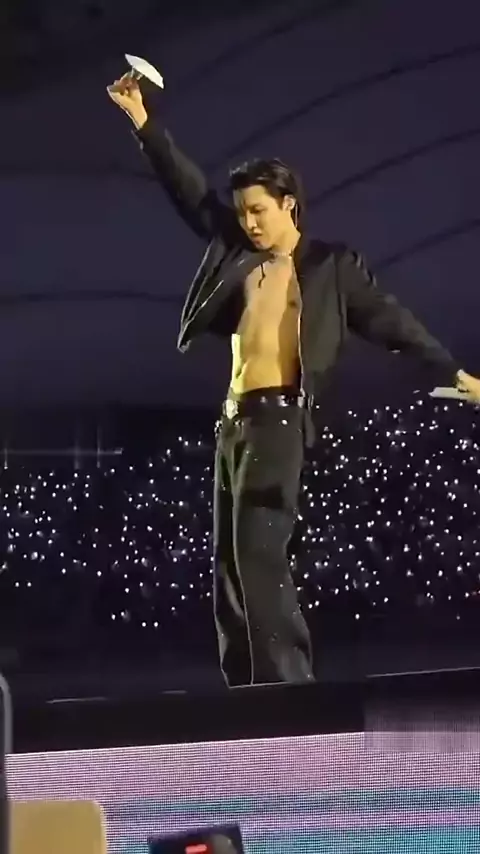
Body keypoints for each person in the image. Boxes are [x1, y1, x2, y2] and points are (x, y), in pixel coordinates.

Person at [107, 70, 480, 688]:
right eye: (242, 213)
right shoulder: (238, 252)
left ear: (290, 206)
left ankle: (290, 692)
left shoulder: (330, 266)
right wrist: (142, 120)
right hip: (232, 425)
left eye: (259, 211)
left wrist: (455, 372)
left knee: (259, 552)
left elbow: (391, 321)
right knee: (228, 567)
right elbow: (189, 191)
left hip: (279, 419)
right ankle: (245, 696)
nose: (249, 222)